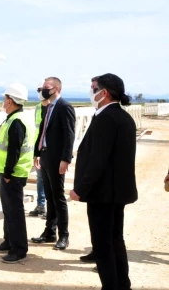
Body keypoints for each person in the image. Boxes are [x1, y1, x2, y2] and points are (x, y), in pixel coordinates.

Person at [71, 73, 137, 290]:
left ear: (105, 92)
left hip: (102, 193)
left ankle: (111, 285)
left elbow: (97, 160)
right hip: (116, 193)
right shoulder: (123, 117)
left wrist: (80, 189)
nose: (91, 92)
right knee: (115, 239)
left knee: (102, 245)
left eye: (93, 88)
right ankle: (121, 284)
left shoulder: (107, 118)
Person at [0, 83, 35, 263]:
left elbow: (14, 150)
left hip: (14, 173)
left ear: (10, 100)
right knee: (8, 210)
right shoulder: (19, 117)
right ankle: (9, 241)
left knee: (14, 212)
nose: (3, 102)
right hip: (13, 172)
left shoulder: (17, 121)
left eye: (4, 99)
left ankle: (19, 250)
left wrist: (8, 172)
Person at [31, 77, 76, 250]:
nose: (42, 89)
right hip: (45, 156)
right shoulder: (47, 107)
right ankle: (50, 231)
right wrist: (37, 152)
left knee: (58, 197)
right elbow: (43, 131)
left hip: (57, 159)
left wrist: (66, 159)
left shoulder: (64, 107)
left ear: (56, 88)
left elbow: (69, 135)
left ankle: (64, 235)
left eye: (46, 87)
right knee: (49, 196)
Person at [28, 86, 50, 217]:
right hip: (39, 149)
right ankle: (41, 206)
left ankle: (51, 207)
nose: (40, 93)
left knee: (50, 180)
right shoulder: (37, 108)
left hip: (50, 150)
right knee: (40, 178)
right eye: (38, 90)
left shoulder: (54, 108)